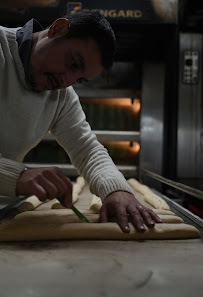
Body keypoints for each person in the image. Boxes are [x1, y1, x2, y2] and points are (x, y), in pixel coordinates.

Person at [0, 10, 162, 233]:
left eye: (79, 79)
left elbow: (87, 151)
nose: (66, 81)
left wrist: (117, 190)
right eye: (73, 63)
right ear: (57, 29)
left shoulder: (61, 96)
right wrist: (17, 175)